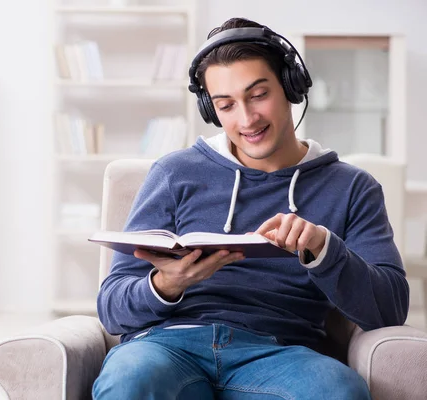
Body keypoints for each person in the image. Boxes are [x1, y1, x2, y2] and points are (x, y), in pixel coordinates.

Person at [93, 17, 409, 400]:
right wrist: (167, 285)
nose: (246, 119)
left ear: (291, 86)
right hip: (166, 347)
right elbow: (111, 309)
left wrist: (325, 249)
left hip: (282, 353)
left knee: (339, 390)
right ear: (212, 111)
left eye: (259, 95)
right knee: (129, 378)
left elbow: (389, 310)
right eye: (226, 105)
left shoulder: (353, 188)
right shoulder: (174, 173)